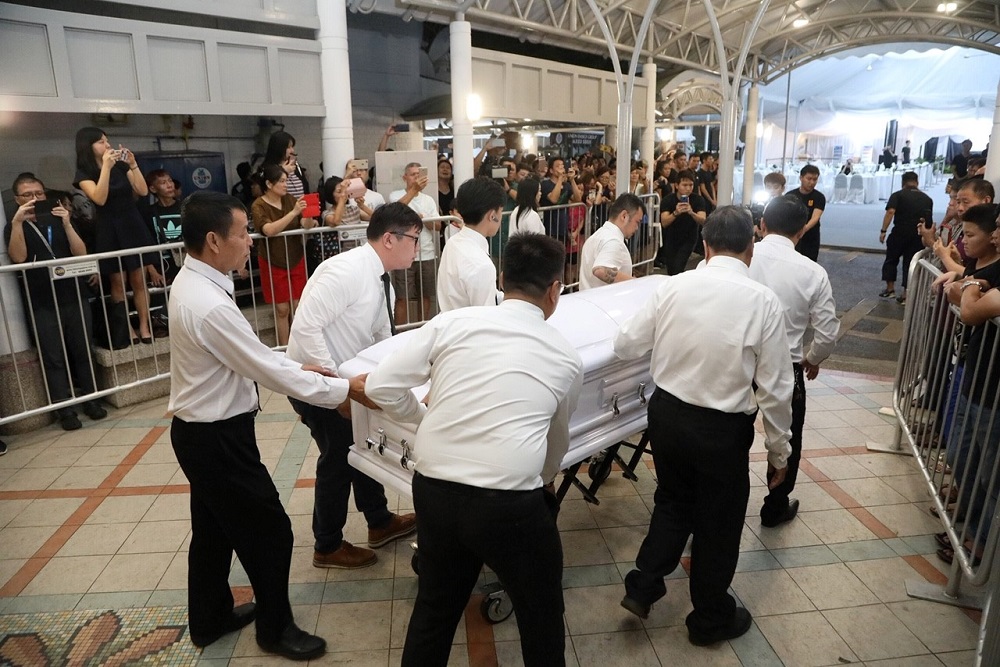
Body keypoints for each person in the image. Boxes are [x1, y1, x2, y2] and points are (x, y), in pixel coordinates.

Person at [365, 233, 584, 667]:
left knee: (435, 607)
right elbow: (554, 447)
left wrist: (423, 418)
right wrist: (531, 483)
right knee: (540, 612)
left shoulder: (454, 323)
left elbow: (379, 385)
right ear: (556, 289)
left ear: (503, 279)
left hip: (434, 491)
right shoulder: (564, 356)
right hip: (509, 505)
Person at [168, 191, 368, 660]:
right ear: (214, 240)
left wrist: (303, 369)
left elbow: (250, 357)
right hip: (216, 438)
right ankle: (275, 630)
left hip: (203, 432)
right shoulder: (207, 303)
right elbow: (267, 370)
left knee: (215, 530)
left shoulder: (200, 281)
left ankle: (211, 616)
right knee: (271, 532)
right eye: (243, 233)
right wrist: (343, 391)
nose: (251, 241)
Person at [614, 206, 792, 645]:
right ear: (752, 248)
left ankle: (643, 585)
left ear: (705, 245)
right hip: (720, 428)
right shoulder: (763, 301)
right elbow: (775, 388)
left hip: (668, 414)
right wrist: (779, 453)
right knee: (718, 521)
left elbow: (625, 344)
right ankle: (710, 618)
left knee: (673, 501)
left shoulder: (674, 287)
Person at [285, 202, 421, 569]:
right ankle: (327, 545)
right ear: (390, 239)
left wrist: (385, 382)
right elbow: (305, 330)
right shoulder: (344, 271)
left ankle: (378, 521)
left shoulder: (381, 281)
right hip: (318, 383)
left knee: (363, 447)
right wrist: (337, 390)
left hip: (350, 383)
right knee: (338, 459)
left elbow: (379, 340)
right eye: (414, 239)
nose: (417, 248)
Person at [749, 195, 839, 527]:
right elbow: (827, 332)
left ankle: (719, 499)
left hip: (739, 362)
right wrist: (812, 358)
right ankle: (774, 505)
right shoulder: (813, 272)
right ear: (801, 232)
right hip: (786, 366)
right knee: (787, 433)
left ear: (761, 225)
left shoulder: (741, 258)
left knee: (732, 431)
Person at [6, 173, 108, 431]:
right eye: (27, 195)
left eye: (39, 194)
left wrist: (67, 224)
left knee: (82, 348)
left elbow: (80, 253)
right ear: (17, 199)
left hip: (73, 294)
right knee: (54, 356)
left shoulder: (59, 218)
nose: (34, 199)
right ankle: (65, 409)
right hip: (41, 300)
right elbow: (18, 258)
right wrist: (18, 223)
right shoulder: (14, 225)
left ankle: (91, 400)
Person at [74, 126, 157, 344]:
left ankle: (145, 326)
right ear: (88, 145)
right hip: (108, 228)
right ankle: (127, 329)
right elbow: (99, 198)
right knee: (118, 282)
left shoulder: (120, 165)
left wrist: (132, 164)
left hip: (132, 223)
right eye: (101, 141)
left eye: (107, 140)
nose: (107, 145)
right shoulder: (84, 173)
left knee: (139, 280)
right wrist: (106, 168)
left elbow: (142, 190)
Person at [251, 164, 316, 346]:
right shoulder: (259, 205)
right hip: (272, 259)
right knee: (282, 308)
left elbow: (304, 224)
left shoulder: (290, 199)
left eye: (286, 181)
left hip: (295, 256)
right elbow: (269, 229)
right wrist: (294, 212)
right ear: (269, 184)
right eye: (281, 181)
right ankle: (285, 347)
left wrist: (309, 215)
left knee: (298, 305)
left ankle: (299, 345)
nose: (285, 185)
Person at [436, 178, 505, 311]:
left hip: (451, 323)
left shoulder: (453, 242)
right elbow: (485, 319)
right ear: (492, 216)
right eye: (500, 212)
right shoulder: (481, 266)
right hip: (470, 328)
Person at [389, 162, 440, 325]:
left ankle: (422, 330)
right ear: (405, 177)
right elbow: (395, 211)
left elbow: (438, 226)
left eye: (419, 174)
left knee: (425, 296)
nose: (416, 178)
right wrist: (414, 191)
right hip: (402, 255)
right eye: (413, 175)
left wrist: (422, 218)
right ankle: (399, 333)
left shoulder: (429, 200)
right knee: (402, 297)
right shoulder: (395, 195)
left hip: (426, 253)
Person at [879, 171, 933, 303]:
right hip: (917, 234)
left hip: (899, 232)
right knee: (910, 263)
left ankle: (890, 289)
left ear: (903, 183)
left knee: (891, 259)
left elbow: (890, 212)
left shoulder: (898, 195)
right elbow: (928, 219)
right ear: (917, 182)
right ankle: (905, 294)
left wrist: (883, 230)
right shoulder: (927, 199)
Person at [578, 194, 644, 290]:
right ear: (624, 216)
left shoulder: (595, 236)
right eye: (637, 222)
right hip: (605, 303)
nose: (637, 228)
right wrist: (636, 283)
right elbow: (601, 270)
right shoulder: (613, 241)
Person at [656, 170, 707, 275]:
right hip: (671, 237)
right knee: (671, 269)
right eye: (684, 185)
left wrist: (691, 213)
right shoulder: (668, 200)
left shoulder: (698, 200)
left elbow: (703, 220)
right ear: (676, 185)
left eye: (691, 185)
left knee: (679, 266)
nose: (688, 188)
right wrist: (675, 213)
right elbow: (664, 222)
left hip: (689, 237)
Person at [143, 169, 184, 283]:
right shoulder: (148, 213)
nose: (169, 185)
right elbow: (145, 244)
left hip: (186, 265)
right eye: (163, 183)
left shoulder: (186, 207)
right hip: (162, 268)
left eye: (170, 181)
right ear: (152, 189)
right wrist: (152, 271)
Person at [785, 165, 826, 262]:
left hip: (811, 236)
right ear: (801, 178)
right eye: (809, 179)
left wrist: (804, 229)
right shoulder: (790, 195)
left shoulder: (819, 197)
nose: (812, 182)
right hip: (792, 234)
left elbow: (815, 217)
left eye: (815, 179)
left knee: (810, 262)